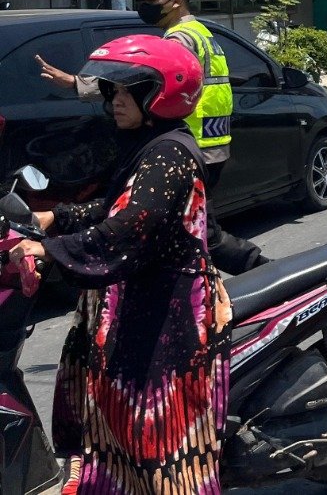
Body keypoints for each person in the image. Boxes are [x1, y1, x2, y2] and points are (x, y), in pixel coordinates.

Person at [11, 35, 229, 492]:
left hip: (165, 312)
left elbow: (132, 226)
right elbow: (115, 207)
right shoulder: (147, 145)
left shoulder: (168, 152)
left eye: (128, 92)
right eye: (113, 92)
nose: (116, 101)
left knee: (157, 433)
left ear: (161, 96)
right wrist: (57, 218)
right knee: (116, 420)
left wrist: (50, 252)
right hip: (137, 300)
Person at [35, 0, 267, 274]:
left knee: (198, 232)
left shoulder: (180, 39)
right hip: (208, 144)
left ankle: (270, 276)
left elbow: (148, 79)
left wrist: (79, 84)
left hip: (185, 146)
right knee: (190, 230)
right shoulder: (203, 33)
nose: (145, 6)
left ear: (176, 1)